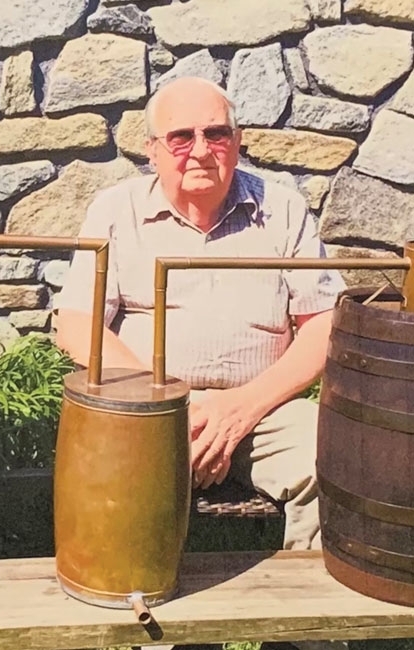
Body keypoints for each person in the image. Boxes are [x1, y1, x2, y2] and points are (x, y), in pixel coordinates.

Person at [55, 76, 345, 551]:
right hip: (148, 406)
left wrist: (239, 409)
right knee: (115, 478)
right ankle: (127, 603)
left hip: (264, 407)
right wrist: (170, 406)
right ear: (152, 150)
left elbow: (322, 326)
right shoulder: (116, 210)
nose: (201, 150)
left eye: (216, 134)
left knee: (335, 460)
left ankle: (304, 616)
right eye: (180, 137)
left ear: (237, 142)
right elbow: (76, 323)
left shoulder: (284, 210)